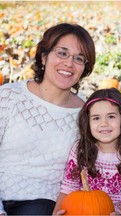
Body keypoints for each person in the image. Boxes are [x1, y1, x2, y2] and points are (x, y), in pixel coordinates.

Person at [0, 23, 96, 215]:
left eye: (79, 58)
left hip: (41, 202)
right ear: (44, 57)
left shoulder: (86, 112)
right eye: (62, 53)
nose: (69, 63)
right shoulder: (8, 97)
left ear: (84, 69)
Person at [52, 88, 121, 215]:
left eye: (111, 116)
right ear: (88, 122)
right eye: (96, 118)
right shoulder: (80, 150)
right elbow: (68, 187)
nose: (104, 123)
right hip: (82, 211)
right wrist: (56, 213)